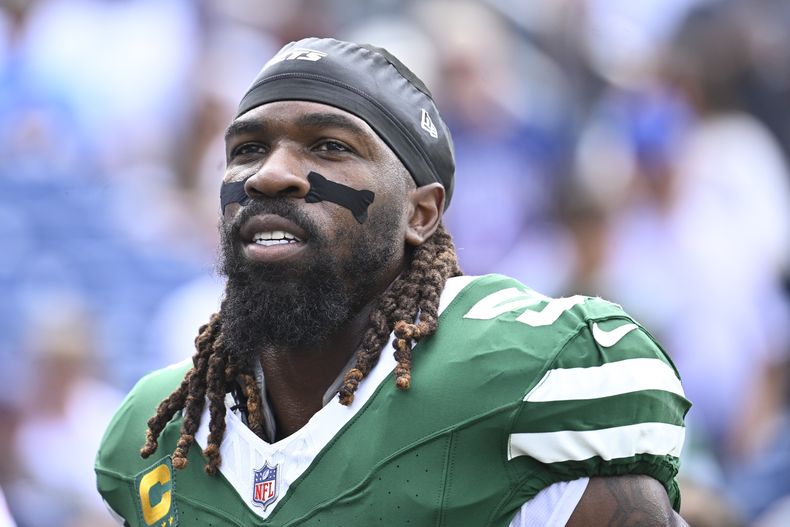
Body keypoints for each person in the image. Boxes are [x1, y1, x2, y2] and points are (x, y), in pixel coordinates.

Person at [95, 37, 691, 526]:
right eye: (248, 148)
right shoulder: (159, 431)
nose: (269, 176)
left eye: (328, 146)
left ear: (421, 213)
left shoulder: (523, 375)